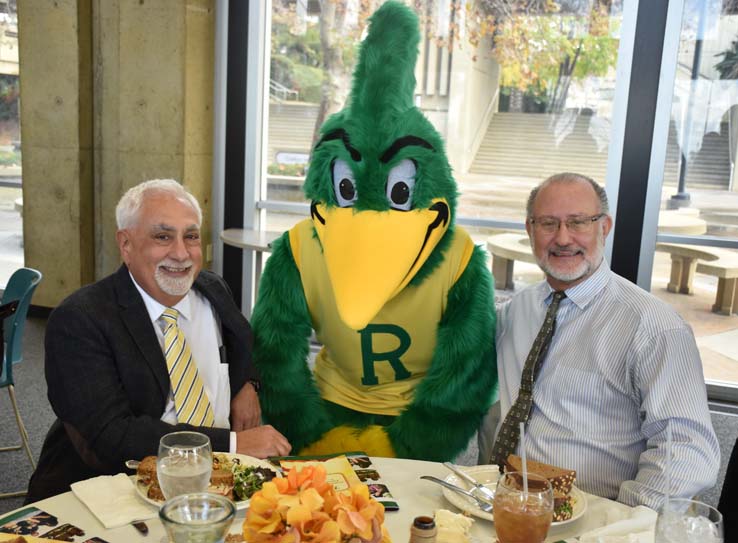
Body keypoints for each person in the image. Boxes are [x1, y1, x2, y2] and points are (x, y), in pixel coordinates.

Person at [26, 179, 290, 501]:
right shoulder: (80, 319)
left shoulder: (213, 290)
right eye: (163, 236)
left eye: (190, 236)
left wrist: (248, 384)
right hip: (116, 494)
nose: (181, 253)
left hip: (221, 488)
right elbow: (113, 436)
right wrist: (233, 444)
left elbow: (243, 343)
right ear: (125, 244)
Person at [479, 172, 720, 509]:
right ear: (530, 230)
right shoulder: (515, 312)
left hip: (595, 515)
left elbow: (685, 449)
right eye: (548, 224)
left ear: (604, 227)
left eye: (578, 222)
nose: (563, 238)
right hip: (500, 504)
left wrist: (620, 522)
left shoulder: (653, 327)